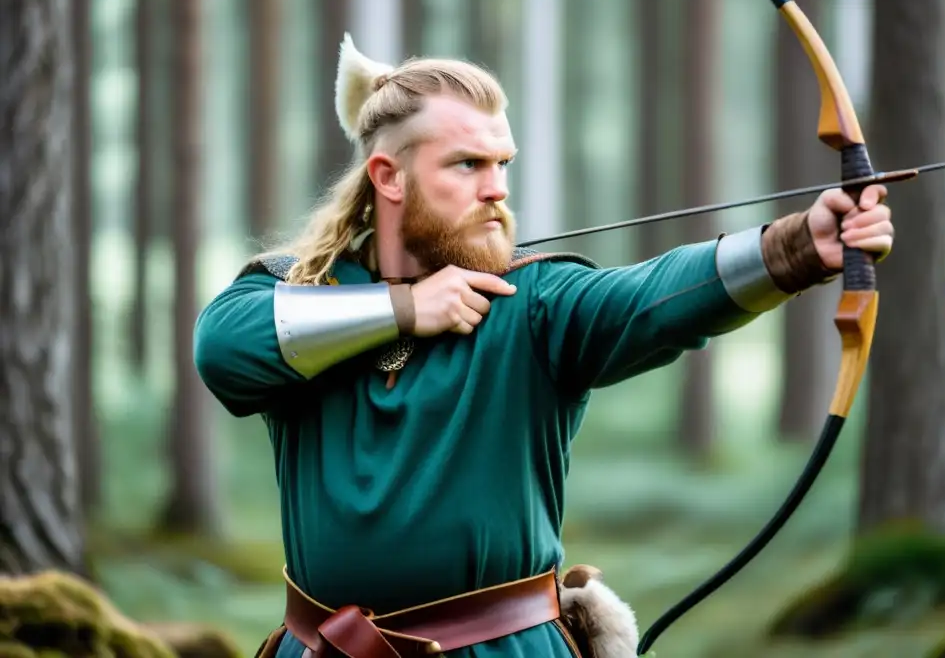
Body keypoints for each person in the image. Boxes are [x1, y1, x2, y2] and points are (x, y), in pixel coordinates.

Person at [193, 35, 894, 658]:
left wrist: (799, 248)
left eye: (503, 164)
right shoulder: (302, 295)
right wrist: (405, 309)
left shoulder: (535, 308)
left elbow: (653, 300)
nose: (497, 190)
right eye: (467, 165)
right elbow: (222, 349)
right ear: (388, 177)